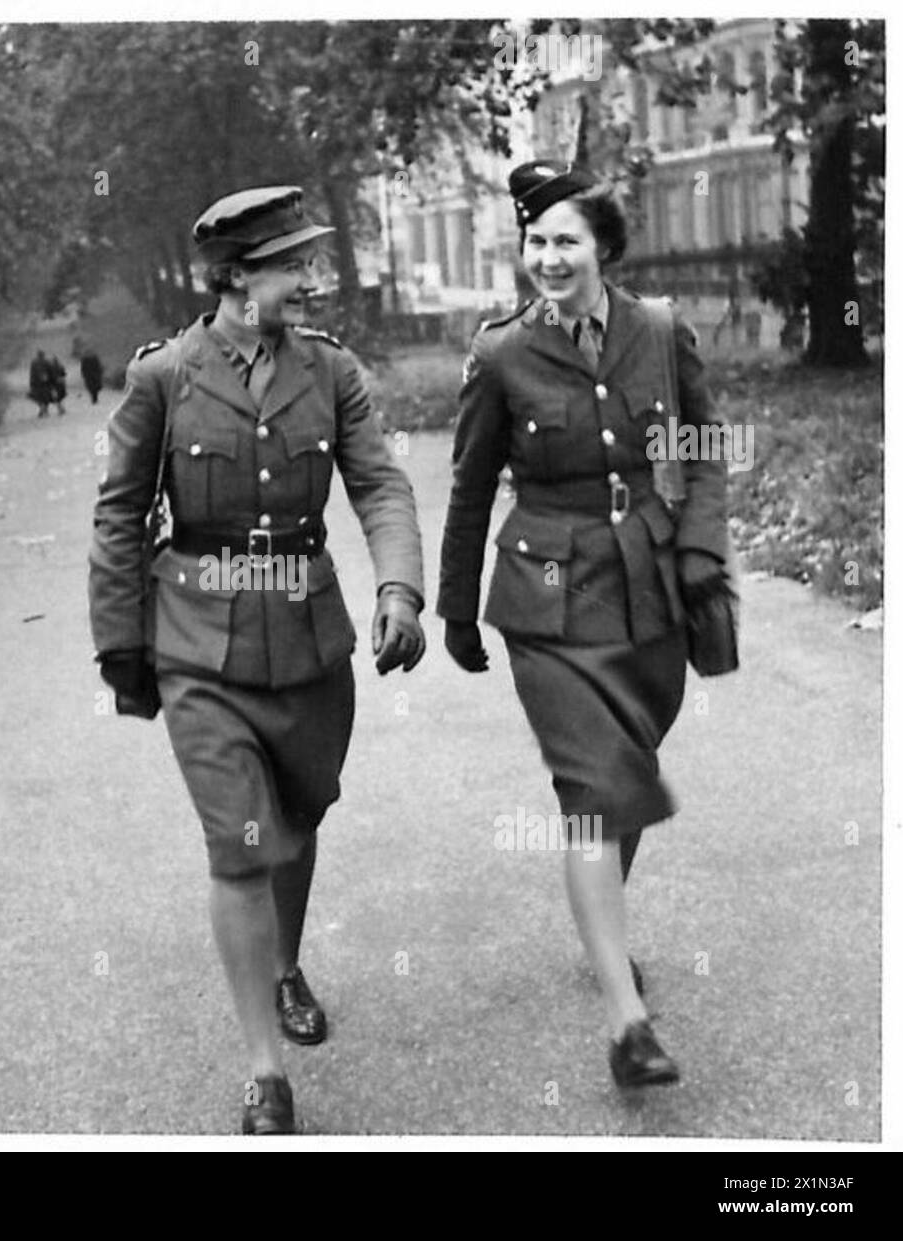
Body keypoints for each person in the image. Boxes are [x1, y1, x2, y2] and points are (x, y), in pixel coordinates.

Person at [89, 185, 426, 1134]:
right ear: (237, 277)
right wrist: (122, 645)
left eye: (311, 262)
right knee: (240, 843)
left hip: (309, 637)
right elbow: (119, 514)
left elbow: (380, 486)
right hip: (198, 642)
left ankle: (284, 965)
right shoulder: (164, 377)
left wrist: (400, 589)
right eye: (294, 266)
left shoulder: (331, 370)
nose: (313, 280)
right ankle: (263, 1071)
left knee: (298, 815)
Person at [437, 161, 731, 1088]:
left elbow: (702, 449)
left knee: (624, 775)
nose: (549, 258)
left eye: (566, 240)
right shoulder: (501, 354)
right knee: (595, 790)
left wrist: (701, 550)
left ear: (603, 247)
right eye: (536, 242)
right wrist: (455, 606)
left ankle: (602, 929)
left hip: (648, 588)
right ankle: (625, 1023)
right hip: (547, 599)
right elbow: (471, 485)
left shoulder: (659, 331)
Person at [28, 349, 57, 416]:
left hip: (36, 383)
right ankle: (44, 409)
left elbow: (32, 373)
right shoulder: (47, 362)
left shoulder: (34, 363)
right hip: (45, 382)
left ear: (38, 355)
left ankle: (42, 408)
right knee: (46, 397)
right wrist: (53, 381)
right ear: (43, 355)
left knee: (38, 396)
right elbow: (51, 372)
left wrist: (31, 382)